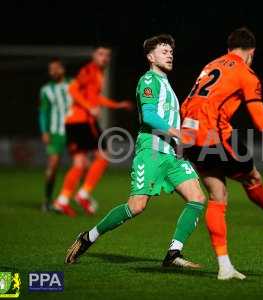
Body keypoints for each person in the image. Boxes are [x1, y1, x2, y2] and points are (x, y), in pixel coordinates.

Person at [181, 27, 263, 280]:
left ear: (229, 48)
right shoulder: (246, 73)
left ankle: (225, 267)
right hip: (215, 136)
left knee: (217, 194)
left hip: (189, 136)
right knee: (252, 178)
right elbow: (262, 124)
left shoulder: (210, 65)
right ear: (251, 52)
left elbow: (189, 101)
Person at [65, 34, 206, 269]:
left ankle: (173, 254)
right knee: (136, 206)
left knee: (198, 198)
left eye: (171, 51)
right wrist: (177, 132)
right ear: (150, 57)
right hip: (150, 151)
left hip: (171, 154)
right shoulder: (149, 80)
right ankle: (88, 237)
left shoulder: (166, 84)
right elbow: (148, 116)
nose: (169, 54)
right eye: (163, 51)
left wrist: (185, 135)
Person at [53, 46, 132, 217]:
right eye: (101, 54)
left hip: (80, 122)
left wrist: (116, 105)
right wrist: (89, 107)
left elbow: (95, 98)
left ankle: (63, 200)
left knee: (81, 163)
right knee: (102, 156)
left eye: (107, 55)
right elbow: (72, 89)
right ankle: (82, 194)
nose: (105, 58)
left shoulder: (98, 74)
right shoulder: (89, 70)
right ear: (94, 55)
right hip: (80, 122)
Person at [38, 58, 72, 212]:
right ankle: (47, 199)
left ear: (62, 70)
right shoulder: (46, 90)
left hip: (75, 132)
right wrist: (44, 130)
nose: (52, 72)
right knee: (52, 167)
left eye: (55, 68)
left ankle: (72, 198)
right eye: (50, 69)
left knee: (81, 165)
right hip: (56, 133)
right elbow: (43, 112)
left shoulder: (74, 84)